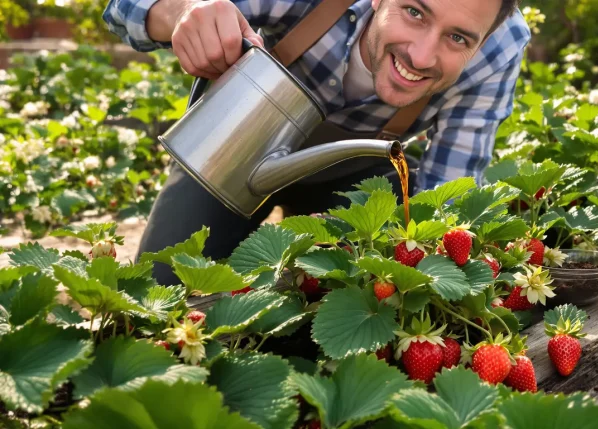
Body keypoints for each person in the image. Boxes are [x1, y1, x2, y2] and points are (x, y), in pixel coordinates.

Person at [103, 0, 530, 285]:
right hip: (233, 151)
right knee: (155, 288)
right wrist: (183, 11)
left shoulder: (500, 48)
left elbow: (445, 200)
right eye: (415, 11)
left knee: (340, 307)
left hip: (354, 176)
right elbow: (123, 7)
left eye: (457, 38)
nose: (420, 56)